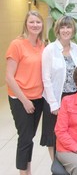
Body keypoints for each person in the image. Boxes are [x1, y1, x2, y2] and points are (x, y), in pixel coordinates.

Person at [5, 10, 45, 175]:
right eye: (31, 22)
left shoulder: (42, 44)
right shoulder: (17, 44)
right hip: (20, 98)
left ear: (42, 25)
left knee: (29, 138)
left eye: (38, 22)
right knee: (25, 138)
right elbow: (9, 77)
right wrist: (25, 101)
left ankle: (27, 170)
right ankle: (24, 173)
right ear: (26, 24)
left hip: (38, 97)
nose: (35, 25)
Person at [41, 16, 77, 160]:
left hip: (72, 97)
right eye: (62, 27)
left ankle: (68, 163)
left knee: (70, 132)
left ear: (73, 30)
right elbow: (46, 77)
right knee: (53, 135)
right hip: (55, 97)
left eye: (68, 27)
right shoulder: (50, 49)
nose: (65, 30)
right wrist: (53, 103)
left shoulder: (76, 48)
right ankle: (55, 166)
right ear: (57, 30)